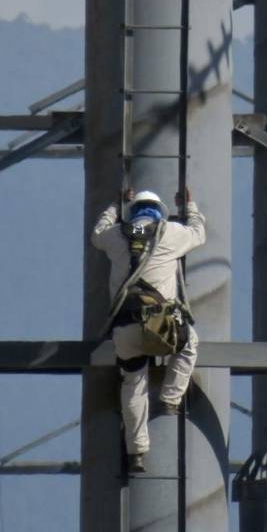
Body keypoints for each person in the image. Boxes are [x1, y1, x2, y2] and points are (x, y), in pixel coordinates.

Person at [91, 188, 205, 473]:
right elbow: (198, 233)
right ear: (158, 212)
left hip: (124, 326)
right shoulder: (170, 233)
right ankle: (170, 399)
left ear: (134, 212)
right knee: (189, 343)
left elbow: (97, 233)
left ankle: (137, 453)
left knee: (133, 383)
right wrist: (189, 206)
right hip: (160, 325)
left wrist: (114, 205)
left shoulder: (116, 235)